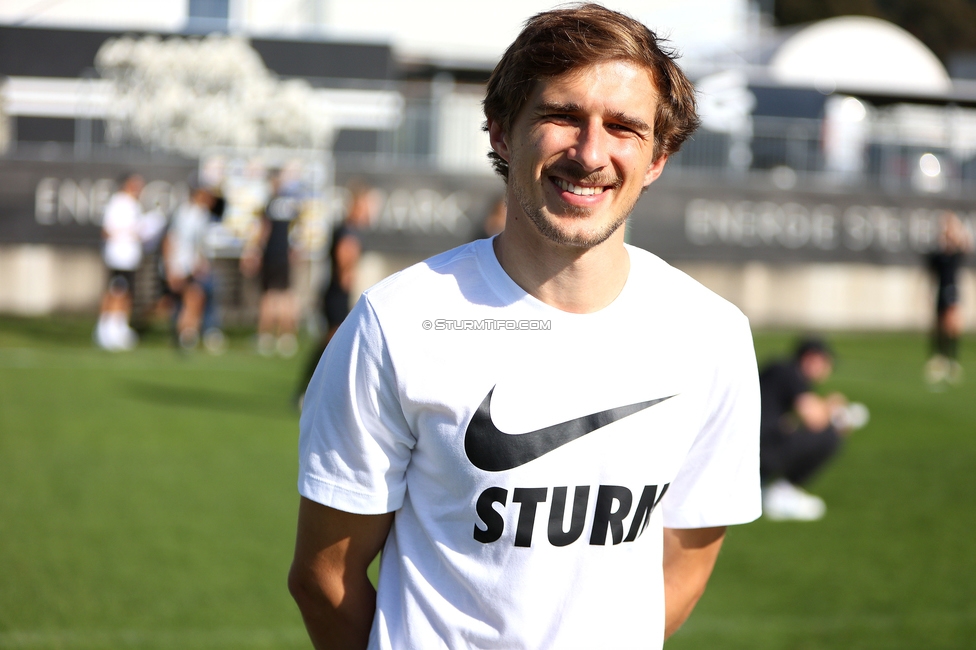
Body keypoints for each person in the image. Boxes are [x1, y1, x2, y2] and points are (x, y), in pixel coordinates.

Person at [289, 6, 761, 649]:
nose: (591, 153)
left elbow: (688, 558)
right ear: (503, 134)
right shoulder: (396, 324)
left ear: (657, 158)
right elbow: (323, 576)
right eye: (562, 116)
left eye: (623, 126)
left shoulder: (712, 336)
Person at [759, 337, 867, 521]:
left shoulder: (781, 371)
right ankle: (782, 492)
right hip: (759, 449)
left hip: (751, 446)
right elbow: (814, 419)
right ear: (812, 358)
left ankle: (768, 488)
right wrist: (832, 407)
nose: (828, 369)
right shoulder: (789, 372)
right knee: (830, 436)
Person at [296, 183, 374, 404]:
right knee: (331, 342)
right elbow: (344, 263)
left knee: (332, 341)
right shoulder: (347, 231)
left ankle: (313, 389)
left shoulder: (351, 230)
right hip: (336, 293)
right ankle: (308, 389)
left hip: (338, 293)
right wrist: (349, 272)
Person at [241, 170, 302, 357]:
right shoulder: (292, 206)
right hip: (284, 256)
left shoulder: (269, 205)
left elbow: (263, 230)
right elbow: (297, 234)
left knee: (269, 296)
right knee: (285, 296)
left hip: (271, 255)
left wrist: (254, 252)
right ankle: (286, 337)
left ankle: (265, 335)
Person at [162, 183, 223, 352]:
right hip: (180, 265)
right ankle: (186, 334)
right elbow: (170, 240)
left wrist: (201, 262)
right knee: (190, 299)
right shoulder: (183, 213)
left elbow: (200, 245)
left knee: (195, 298)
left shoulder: (202, 215)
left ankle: (188, 334)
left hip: (194, 266)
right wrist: (170, 267)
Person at [94, 172, 146, 351]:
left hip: (131, 257)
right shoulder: (117, 202)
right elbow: (107, 230)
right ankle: (105, 329)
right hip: (118, 256)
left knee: (126, 293)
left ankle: (120, 326)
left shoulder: (135, 205)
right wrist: (127, 232)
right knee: (115, 291)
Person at [925, 211, 973, 386]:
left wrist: (955, 225)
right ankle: (940, 358)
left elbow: (965, 243)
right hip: (940, 290)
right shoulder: (937, 256)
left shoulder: (955, 256)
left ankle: (952, 360)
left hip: (952, 291)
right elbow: (930, 276)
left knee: (952, 325)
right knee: (939, 326)